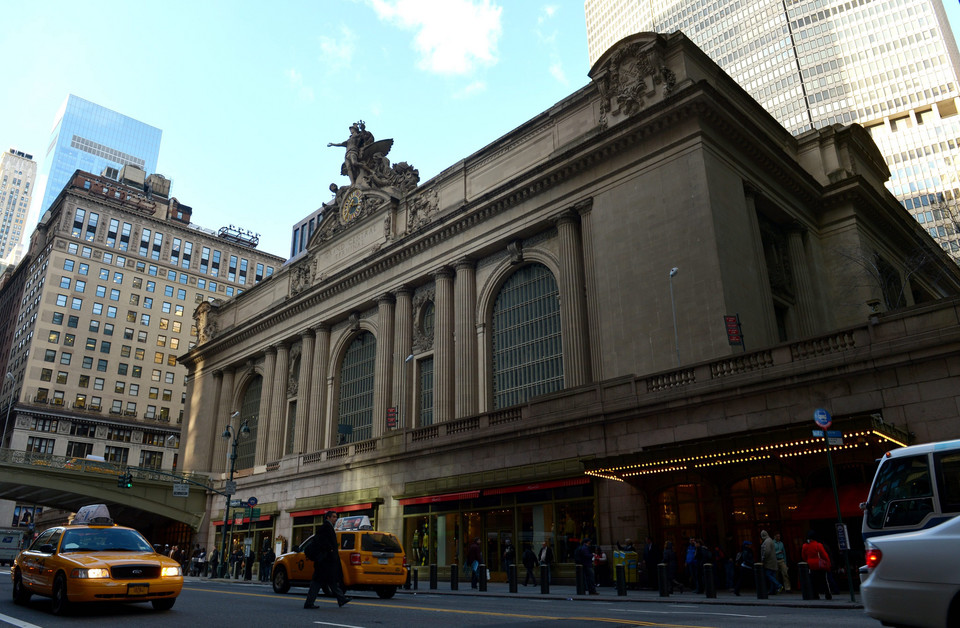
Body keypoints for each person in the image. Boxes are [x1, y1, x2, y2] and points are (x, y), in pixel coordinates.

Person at [304, 511, 351, 609]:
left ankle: (341, 599)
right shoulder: (326, 527)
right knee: (318, 582)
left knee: (331, 580)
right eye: (333, 517)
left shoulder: (328, 527)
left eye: (336, 517)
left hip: (326, 561)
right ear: (328, 518)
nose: (335, 519)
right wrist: (329, 549)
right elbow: (320, 541)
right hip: (324, 561)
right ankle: (309, 603)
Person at [801, 530, 832, 600]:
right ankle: (828, 594)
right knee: (824, 580)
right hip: (819, 564)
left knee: (813, 581)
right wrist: (828, 562)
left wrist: (808, 560)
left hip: (811, 564)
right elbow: (824, 555)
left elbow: (803, 556)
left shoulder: (805, 546)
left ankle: (815, 595)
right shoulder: (818, 545)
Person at [760, 530, 782, 594]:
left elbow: (766, 552)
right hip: (773, 561)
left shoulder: (766, 542)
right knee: (773, 575)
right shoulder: (770, 540)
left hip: (769, 562)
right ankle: (772, 590)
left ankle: (778, 585)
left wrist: (763, 559)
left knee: (768, 575)